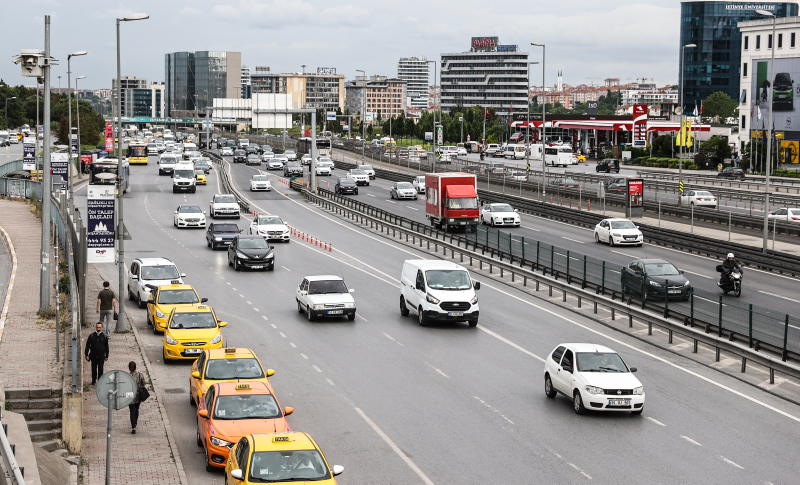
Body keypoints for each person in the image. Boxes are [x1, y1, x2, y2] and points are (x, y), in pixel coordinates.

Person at [128, 361, 146, 434]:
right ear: (136, 367)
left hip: (130, 395)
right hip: (138, 395)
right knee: (136, 409)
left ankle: (133, 427)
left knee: (132, 411)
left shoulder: (127, 376)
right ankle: (135, 423)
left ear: (129, 368)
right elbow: (144, 383)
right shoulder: (140, 375)